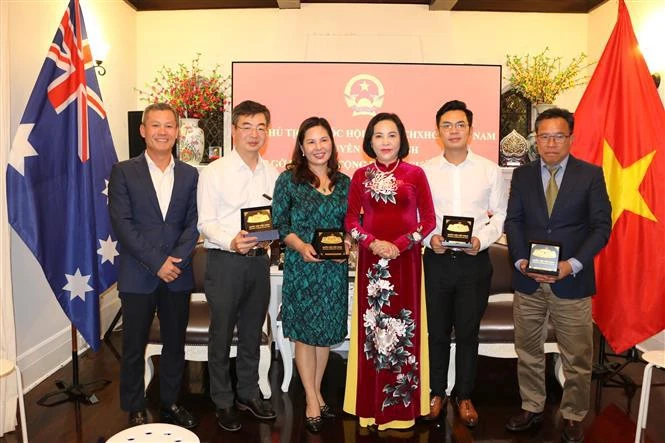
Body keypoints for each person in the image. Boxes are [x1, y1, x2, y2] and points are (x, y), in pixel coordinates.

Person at [504, 108, 611, 443]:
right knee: (528, 349)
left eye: (558, 136)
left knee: (577, 354)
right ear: (536, 139)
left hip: (572, 280)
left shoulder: (590, 175)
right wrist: (521, 259)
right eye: (544, 136)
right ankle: (532, 406)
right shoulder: (522, 176)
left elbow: (601, 227)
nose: (550, 143)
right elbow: (514, 222)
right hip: (528, 280)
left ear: (571, 138)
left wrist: (572, 264)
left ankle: (573, 414)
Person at [108, 102, 199, 429]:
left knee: (175, 344)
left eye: (169, 126)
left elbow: (193, 223)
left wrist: (175, 261)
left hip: (178, 274)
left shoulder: (190, 174)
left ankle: (171, 402)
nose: (162, 131)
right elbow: (122, 223)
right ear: (143, 130)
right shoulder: (123, 171)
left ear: (177, 132)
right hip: (138, 274)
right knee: (133, 344)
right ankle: (134, 405)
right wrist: (157, 262)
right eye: (155, 125)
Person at [343, 112, 436, 430]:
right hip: (373, 267)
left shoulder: (416, 174)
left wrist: (402, 243)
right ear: (370, 140)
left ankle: (402, 410)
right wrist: (372, 243)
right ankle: (371, 408)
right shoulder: (360, 176)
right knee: (375, 334)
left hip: (406, 263)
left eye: (392, 135)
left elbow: (429, 221)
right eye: (379, 135)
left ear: (402, 139)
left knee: (403, 335)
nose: (385, 141)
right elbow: (351, 222)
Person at [421, 100, 508, 427]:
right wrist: (431, 238)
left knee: (469, 332)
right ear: (437, 131)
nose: (454, 131)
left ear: (470, 130)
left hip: (474, 261)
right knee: (437, 331)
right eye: (447, 125)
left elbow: (500, 214)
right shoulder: (425, 171)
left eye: (460, 125)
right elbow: (420, 216)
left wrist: (480, 241)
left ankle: (465, 395)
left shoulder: (488, 169)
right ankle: (437, 392)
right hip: (438, 261)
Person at [197, 100, 279, 432]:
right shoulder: (214, 172)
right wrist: (233, 239)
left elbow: (277, 221)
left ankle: (247, 393)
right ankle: (222, 400)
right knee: (220, 335)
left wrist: (269, 238)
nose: (254, 134)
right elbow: (205, 222)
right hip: (225, 262)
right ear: (234, 131)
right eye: (246, 126)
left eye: (261, 127)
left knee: (250, 334)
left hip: (259, 265)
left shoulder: (272, 173)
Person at [272, 117, 351, 433]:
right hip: (302, 268)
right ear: (301, 148)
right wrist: (301, 246)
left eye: (324, 140)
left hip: (333, 270)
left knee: (324, 337)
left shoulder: (345, 182)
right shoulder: (288, 181)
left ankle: (315, 393)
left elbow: (351, 227)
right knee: (305, 335)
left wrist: (347, 242)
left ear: (332, 143)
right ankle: (311, 401)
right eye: (311, 142)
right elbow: (281, 224)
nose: (319, 147)